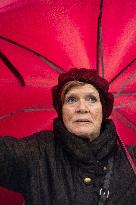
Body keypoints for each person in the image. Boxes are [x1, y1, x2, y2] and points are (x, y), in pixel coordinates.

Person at [0, 68, 135, 205]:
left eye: (92, 99)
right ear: (61, 111)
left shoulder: (131, 159)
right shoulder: (37, 152)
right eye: (71, 100)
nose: (82, 108)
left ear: (103, 109)